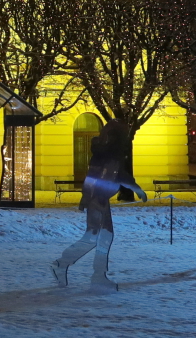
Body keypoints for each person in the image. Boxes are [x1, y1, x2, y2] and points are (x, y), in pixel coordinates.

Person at [50, 121, 145, 292]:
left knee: (104, 237)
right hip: (97, 199)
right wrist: (87, 198)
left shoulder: (111, 154)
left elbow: (119, 175)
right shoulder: (103, 154)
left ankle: (97, 275)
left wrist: (136, 188)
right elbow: (92, 177)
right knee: (93, 237)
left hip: (102, 199)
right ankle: (63, 264)